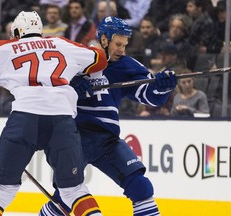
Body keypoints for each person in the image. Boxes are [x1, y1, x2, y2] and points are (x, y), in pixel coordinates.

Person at [0, 11, 108, 216]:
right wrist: (80, 75)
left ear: (18, 32)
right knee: (74, 190)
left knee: (1, 191)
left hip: (25, 119)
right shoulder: (61, 43)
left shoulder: (3, 49)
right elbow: (100, 58)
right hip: (62, 120)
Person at [39, 16, 177, 216]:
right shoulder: (75, 58)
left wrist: (162, 87)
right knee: (68, 196)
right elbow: (46, 91)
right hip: (75, 137)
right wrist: (70, 88)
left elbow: (149, 95)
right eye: (118, 44)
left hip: (107, 139)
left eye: (125, 45)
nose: (122, 50)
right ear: (104, 39)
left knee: (141, 188)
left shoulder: (126, 65)